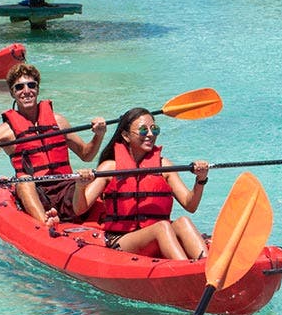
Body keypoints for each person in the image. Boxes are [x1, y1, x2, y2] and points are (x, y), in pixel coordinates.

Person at [0, 64, 104, 226]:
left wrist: (99, 135)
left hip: (66, 189)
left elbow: (87, 155)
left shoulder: (59, 122)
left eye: (31, 85)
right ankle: (45, 224)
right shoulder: (4, 132)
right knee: (23, 180)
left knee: (109, 167)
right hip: (37, 194)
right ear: (12, 93)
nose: (26, 91)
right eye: (19, 87)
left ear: (38, 89)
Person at [73, 108, 211, 261]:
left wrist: (200, 179)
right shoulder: (110, 168)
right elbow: (79, 209)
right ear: (126, 136)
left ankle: (207, 265)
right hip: (121, 240)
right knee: (162, 227)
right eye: (143, 130)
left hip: (157, 235)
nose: (151, 135)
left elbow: (190, 205)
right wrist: (80, 186)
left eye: (154, 129)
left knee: (182, 222)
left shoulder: (164, 166)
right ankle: (187, 270)